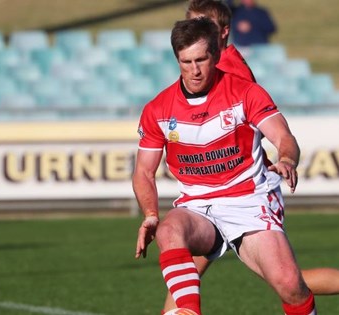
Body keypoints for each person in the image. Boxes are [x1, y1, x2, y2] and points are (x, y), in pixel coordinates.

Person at [152, 1, 339, 314]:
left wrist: (275, 159)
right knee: (185, 272)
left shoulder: (230, 70)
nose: (194, 33)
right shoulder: (208, 66)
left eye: (203, 25)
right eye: (190, 25)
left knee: (286, 282)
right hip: (214, 195)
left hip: (245, 193)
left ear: (222, 33)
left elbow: (256, 124)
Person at [133, 17, 316, 315]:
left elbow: (283, 136)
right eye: (186, 61)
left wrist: (286, 159)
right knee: (168, 230)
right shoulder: (158, 109)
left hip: (247, 199)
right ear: (177, 59)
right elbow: (143, 172)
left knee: (291, 285)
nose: (194, 70)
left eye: (201, 60)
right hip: (197, 205)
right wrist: (151, 214)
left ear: (216, 55)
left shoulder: (244, 93)